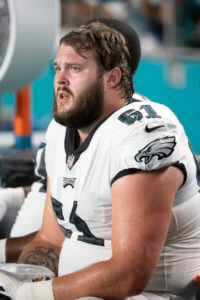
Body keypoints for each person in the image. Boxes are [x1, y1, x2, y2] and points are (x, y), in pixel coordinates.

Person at [0, 19, 200, 300]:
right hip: (74, 289)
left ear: (113, 78)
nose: (60, 78)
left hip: (153, 293)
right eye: (58, 68)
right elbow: (49, 241)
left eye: (75, 69)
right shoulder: (62, 128)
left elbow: (128, 275)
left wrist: (34, 292)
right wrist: (20, 280)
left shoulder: (144, 136)